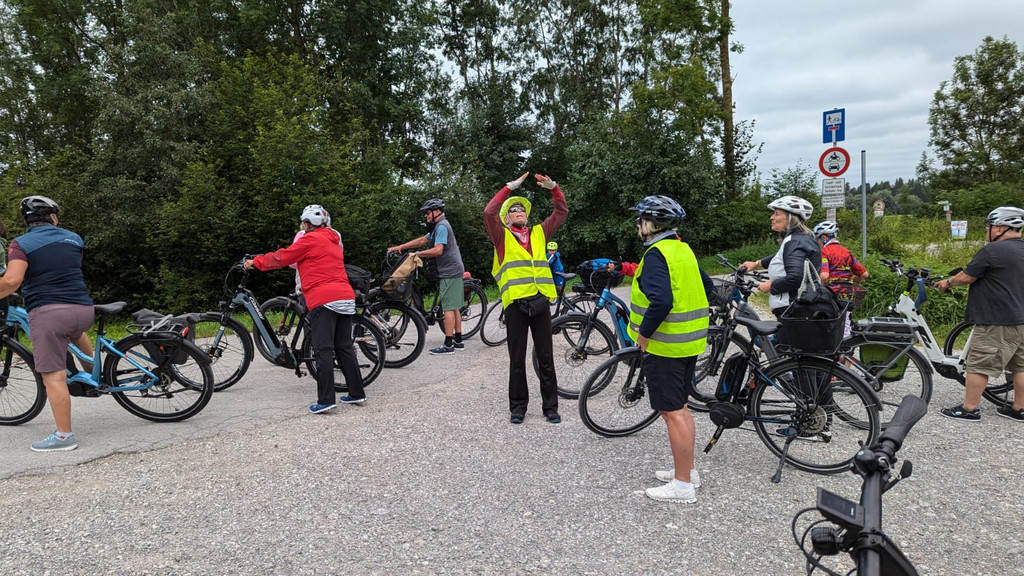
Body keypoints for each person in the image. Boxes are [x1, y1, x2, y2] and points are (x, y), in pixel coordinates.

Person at [622, 195, 709, 503]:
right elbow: (708, 287)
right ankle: (688, 471)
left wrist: (644, 335)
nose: (637, 225)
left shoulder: (656, 255)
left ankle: (682, 486)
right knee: (680, 408)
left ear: (651, 224)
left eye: (640, 220)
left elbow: (661, 301)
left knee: (672, 413)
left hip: (665, 346)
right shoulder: (682, 249)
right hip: (688, 343)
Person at [244, 204, 365, 413]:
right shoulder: (333, 239)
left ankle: (326, 400)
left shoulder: (309, 240)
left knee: (323, 350)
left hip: (324, 299)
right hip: (345, 297)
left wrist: (256, 262)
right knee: (344, 347)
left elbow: (282, 257)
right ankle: (357, 392)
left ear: (308, 224)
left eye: (304, 223)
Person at [0, 196, 94, 451]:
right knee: (75, 331)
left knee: (53, 376)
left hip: (49, 313)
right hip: (84, 308)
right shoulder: (74, 238)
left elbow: (12, 281)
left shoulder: (21, 243)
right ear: (52, 217)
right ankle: (93, 375)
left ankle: (64, 437)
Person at [484, 172, 568, 424]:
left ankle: (550, 408)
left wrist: (554, 188)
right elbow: (488, 212)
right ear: (507, 217)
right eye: (514, 209)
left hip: (540, 303)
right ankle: (518, 407)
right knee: (517, 360)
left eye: (522, 209)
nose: (519, 211)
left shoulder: (539, 232)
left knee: (546, 358)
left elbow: (561, 211)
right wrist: (508, 188)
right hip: (516, 306)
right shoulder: (501, 236)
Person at [937, 206, 1024, 422]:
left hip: (996, 319)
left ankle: (969, 409)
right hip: (1020, 318)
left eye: (990, 226)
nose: (987, 229)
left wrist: (947, 282)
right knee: (1021, 366)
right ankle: (1020, 409)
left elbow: (967, 277)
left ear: (1000, 228)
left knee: (979, 364)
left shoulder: (992, 251)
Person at [388, 198, 466, 355]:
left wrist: (417, 254)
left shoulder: (442, 226)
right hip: (454, 269)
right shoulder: (439, 226)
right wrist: (401, 247)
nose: (426, 216)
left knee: (448, 308)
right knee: (454, 307)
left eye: (427, 213)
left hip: (449, 271)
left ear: (436, 212)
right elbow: (423, 240)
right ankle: (458, 340)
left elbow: (438, 250)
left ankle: (448, 344)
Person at [740, 195, 821, 317]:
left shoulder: (794, 241)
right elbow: (782, 256)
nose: (771, 217)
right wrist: (756, 264)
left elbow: (795, 277)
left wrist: (771, 286)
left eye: (777, 214)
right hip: (800, 304)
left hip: (792, 307)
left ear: (790, 218)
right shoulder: (800, 238)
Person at [814, 220, 868, 337]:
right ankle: (848, 345)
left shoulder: (824, 252)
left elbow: (824, 276)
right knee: (846, 324)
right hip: (849, 293)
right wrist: (849, 281)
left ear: (824, 237)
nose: (818, 242)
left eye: (817, 239)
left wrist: (817, 287)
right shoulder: (847, 252)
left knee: (829, 323)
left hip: (831, 293)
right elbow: (864, 274)